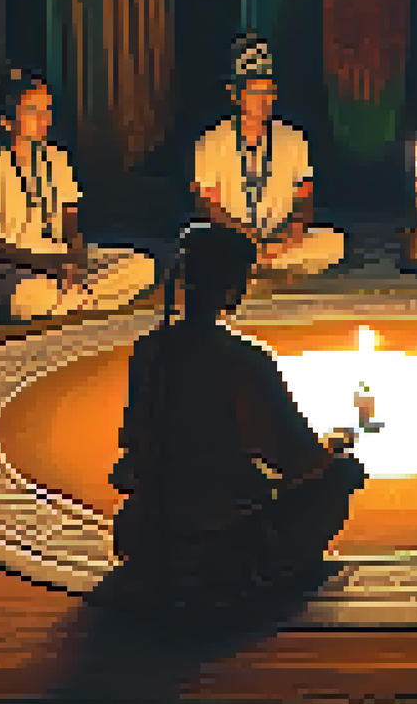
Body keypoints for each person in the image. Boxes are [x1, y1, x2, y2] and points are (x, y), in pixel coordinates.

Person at [107, 222, 366, 616]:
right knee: (344, 474)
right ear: (233, 287)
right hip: (220, 546)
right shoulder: (244, 360)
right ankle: (265, 571)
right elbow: (297, 460)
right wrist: (335, 445)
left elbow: (133, 441)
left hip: (144, 535)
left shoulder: (148, 349)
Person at [0, 68, 157, 322]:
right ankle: (83, 302)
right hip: (15, 269)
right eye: (32, 111)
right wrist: (44, 263)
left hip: (61, 259)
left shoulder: (57, 158)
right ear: (7, 121)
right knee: (32, 299)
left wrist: (75, 255)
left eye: (47, 110)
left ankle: (76, 303)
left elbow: (70, 219)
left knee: (143, 267)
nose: (43, 118)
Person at [192, 35, 345, 286]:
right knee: (202, 249)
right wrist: (243, 234)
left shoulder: (294, 138)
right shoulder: (212, 141)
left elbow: (305, 198)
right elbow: (208, 206)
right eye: (254, 92)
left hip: (280, 243)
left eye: (268, 92)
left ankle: (265, 268)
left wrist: (292, 230)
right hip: (234, 241)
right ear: (235, 95)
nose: (262, 101)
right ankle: (259, 267)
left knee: (333, 241)